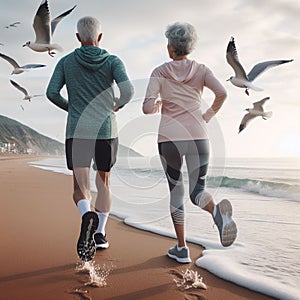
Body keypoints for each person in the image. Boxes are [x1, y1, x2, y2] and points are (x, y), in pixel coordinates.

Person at [143, 22, 237, 263]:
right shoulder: (202, 70)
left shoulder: (159, 72)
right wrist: (205, 116)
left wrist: (158, 106)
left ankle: (182, 247)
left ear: (171, 47)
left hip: (169, 140)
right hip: (198, 137)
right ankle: (216, 212)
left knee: (176, 192)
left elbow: (146, 108)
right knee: (198, 191)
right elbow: (222, 94)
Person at [46, 16, 134, 262]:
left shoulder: (66, 62)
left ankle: (86, 214)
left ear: (77, 38)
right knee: (104, 183)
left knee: (80, 188)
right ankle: (100, 233)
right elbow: (128, 91)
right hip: (105, 131)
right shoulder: (112, 61)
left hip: (77, 131)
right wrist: (115, 106)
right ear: (100, 37)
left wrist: (72, 108)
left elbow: (51, 92)